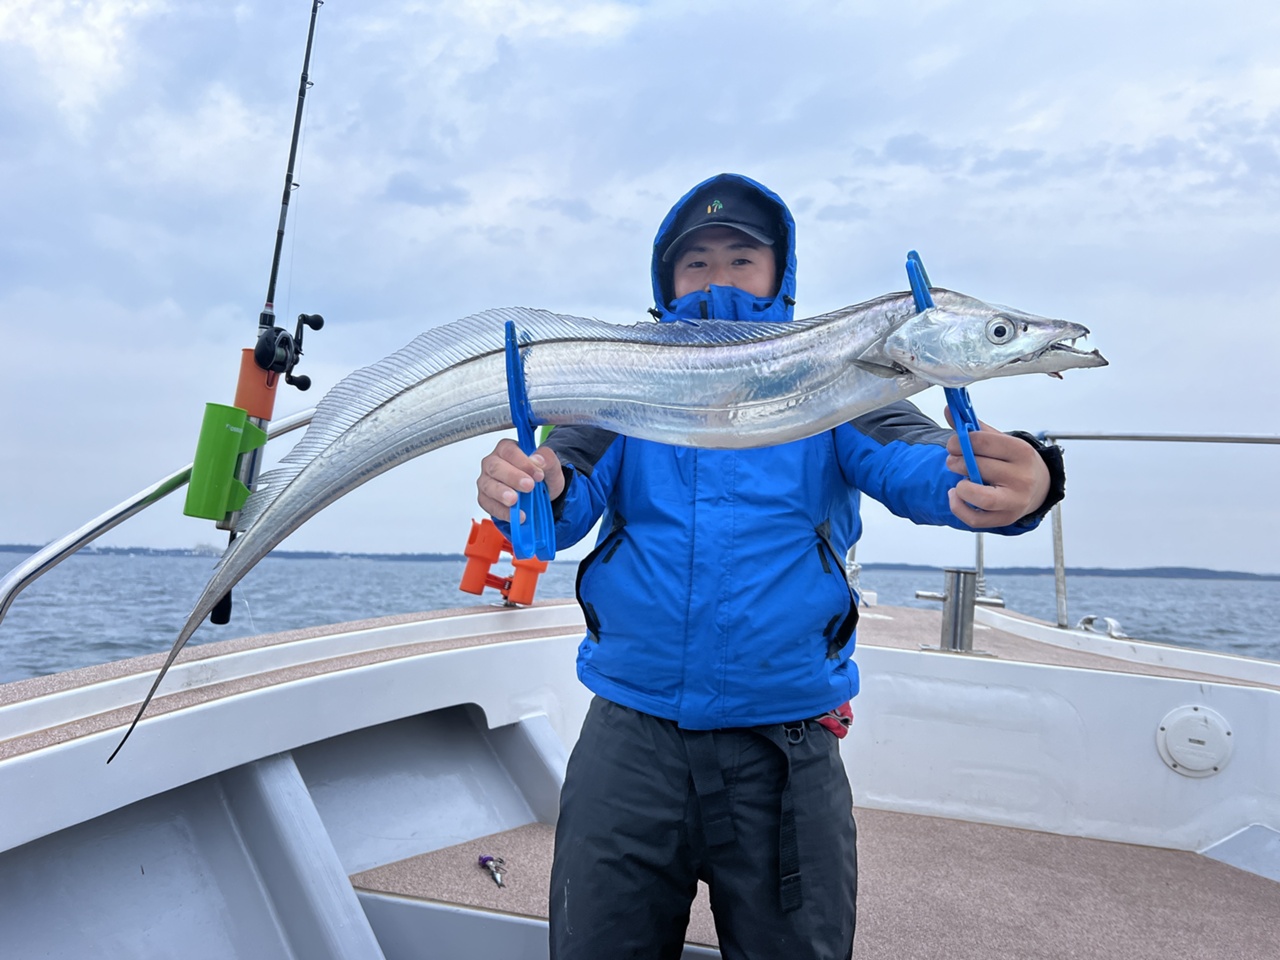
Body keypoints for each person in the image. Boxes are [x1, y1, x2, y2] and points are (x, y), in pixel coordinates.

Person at [475, 173, 1065, 960]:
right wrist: (524, 487)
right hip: (631, 736)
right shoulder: (620, 385)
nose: (717, 279)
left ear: (780, 277)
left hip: (787, 747)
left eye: (741, 259)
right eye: (696, 263)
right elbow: (562, 494)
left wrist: (1024, 480)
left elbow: (928, 469)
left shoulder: (837, 379)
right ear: (666, 281)